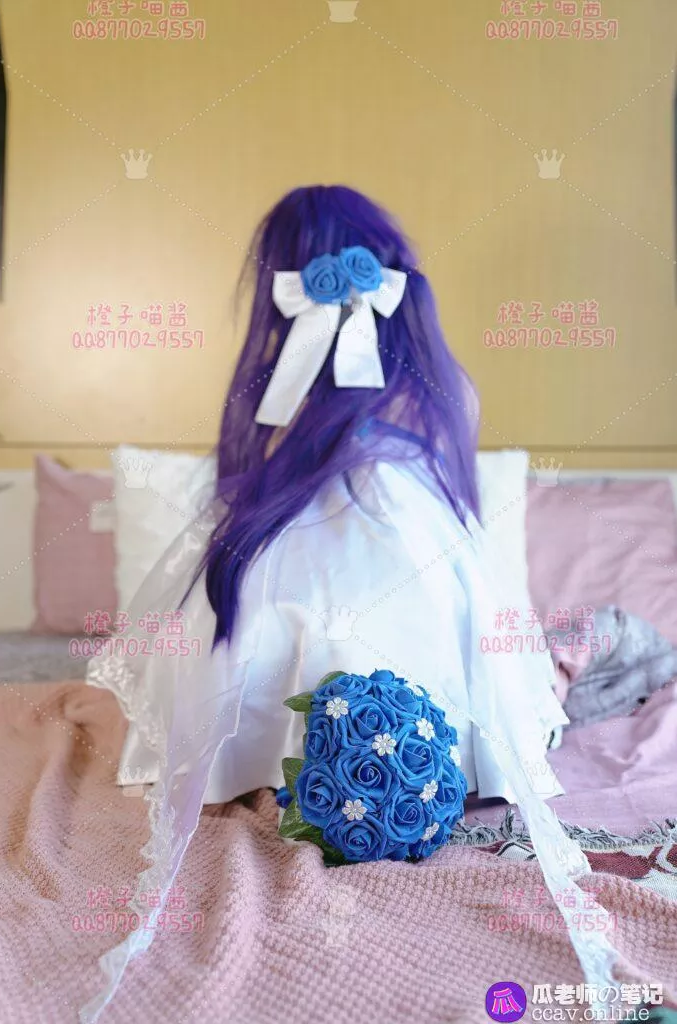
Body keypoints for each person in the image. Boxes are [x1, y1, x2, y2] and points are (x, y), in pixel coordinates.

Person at [84, 185, 618, 1020]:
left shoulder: (293, 393)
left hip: (308, 536)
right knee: (433, 601)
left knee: (258, 599)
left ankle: (260, 752)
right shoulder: (430, 391)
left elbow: (266, 451)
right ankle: (436, 744)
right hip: (406, 537)